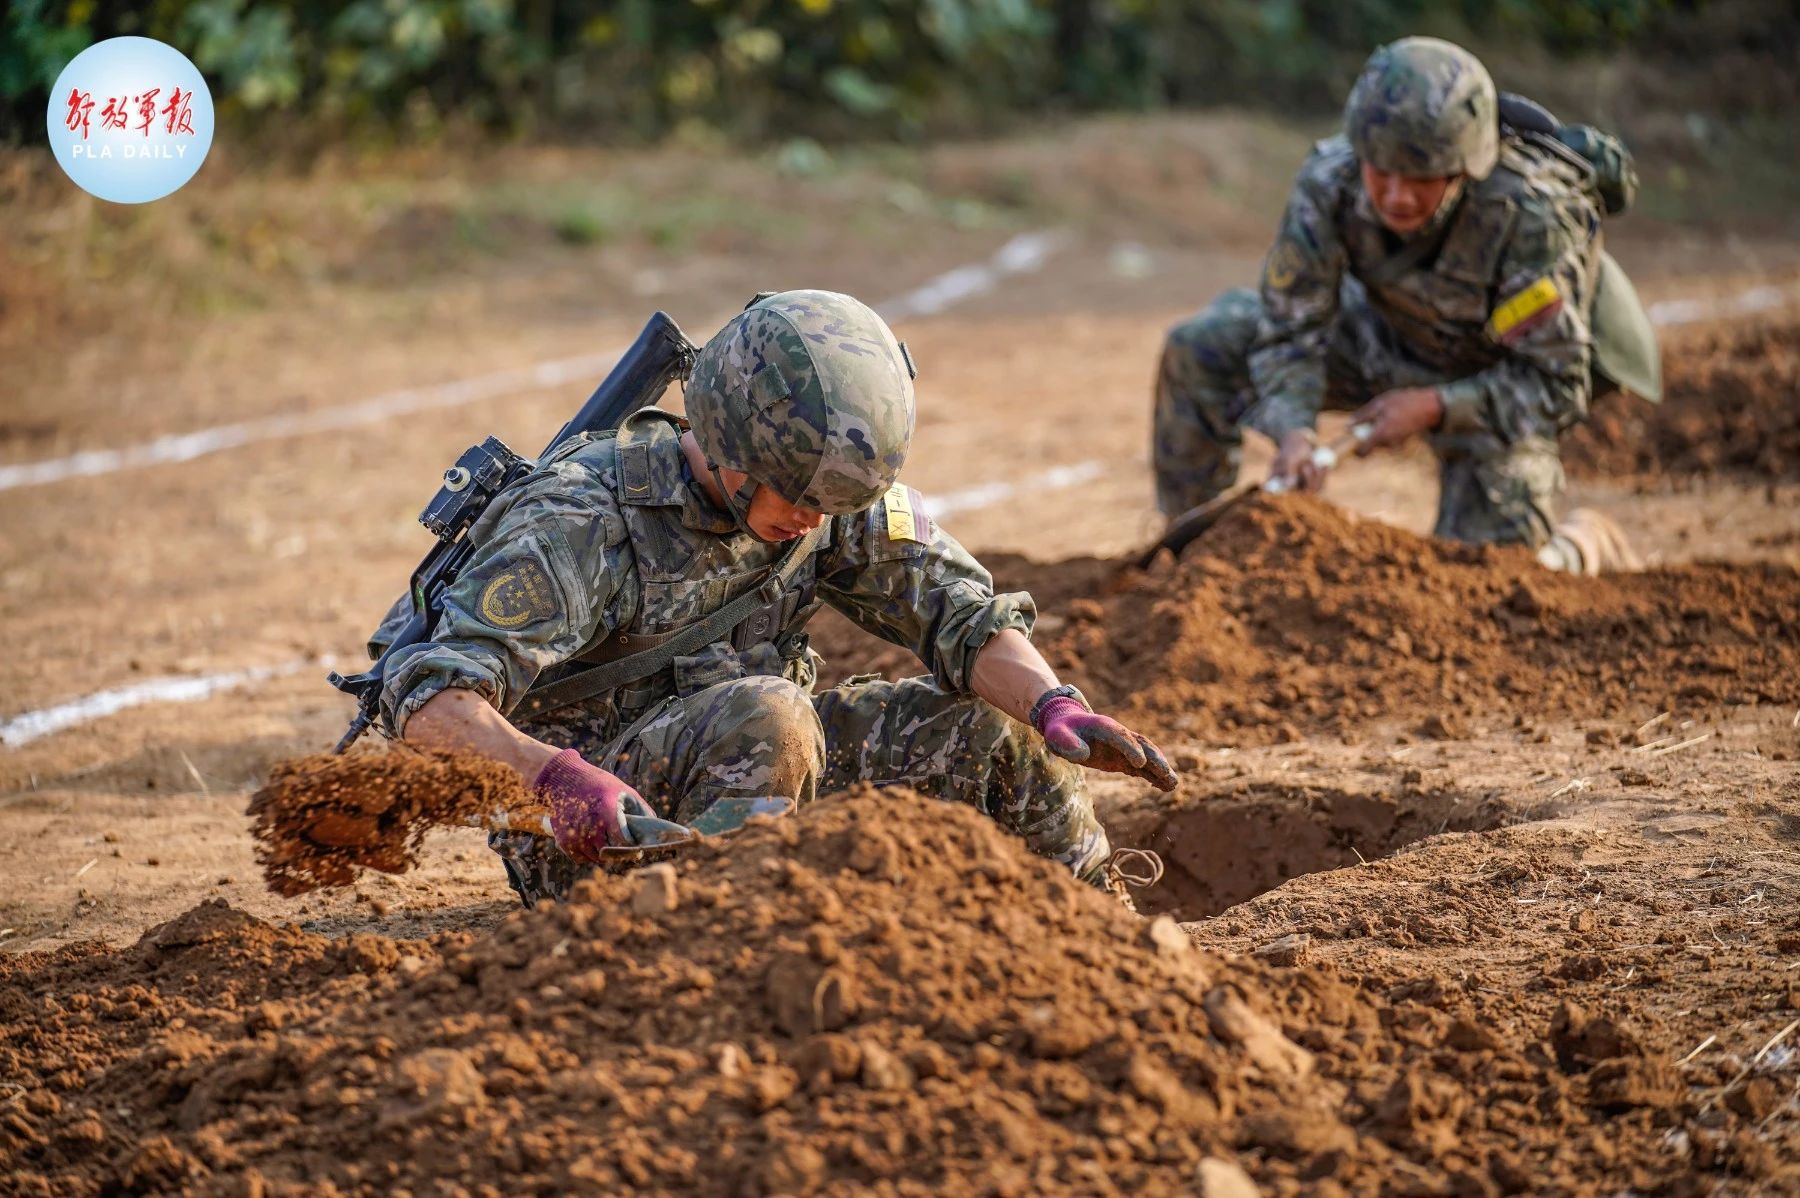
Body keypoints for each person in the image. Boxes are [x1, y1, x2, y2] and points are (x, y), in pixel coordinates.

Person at [373, 289, 1177, 907]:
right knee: (772, 714)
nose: (811, 521)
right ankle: (734, 947)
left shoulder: (818, 498)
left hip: (765, 776)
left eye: (830, 504)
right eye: (798, 498)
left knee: (991, 731)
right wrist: (548, 782)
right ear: (728, 444)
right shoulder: (580, 522)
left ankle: (1097, 928)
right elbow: (429, 699)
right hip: (599, 836)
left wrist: (1053, 705)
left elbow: (957, 612)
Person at [1152, 36, 1660, 573]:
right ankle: (1194, 561)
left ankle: (1581, 547)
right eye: (1381, 171)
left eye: (1420, 178)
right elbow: (1290, 331)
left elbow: (1554, 383)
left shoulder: (1530, 212)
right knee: (1203, 346)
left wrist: (1436, 406)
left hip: (1493, 380)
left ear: (1465, 167)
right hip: (1390, 336)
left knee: (1488, 583)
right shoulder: (1331, 182)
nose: (1396, 195)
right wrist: (1293, 429)